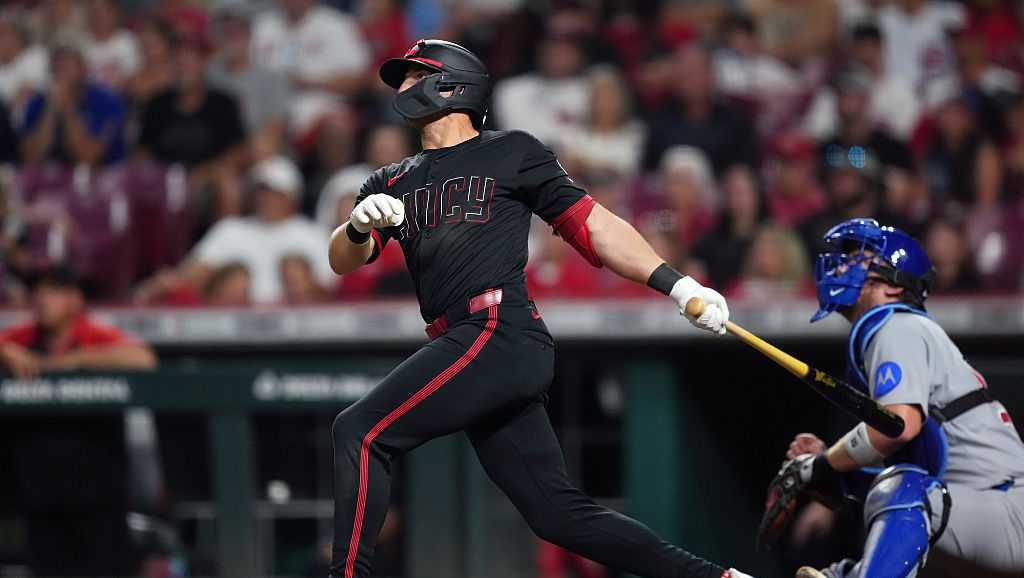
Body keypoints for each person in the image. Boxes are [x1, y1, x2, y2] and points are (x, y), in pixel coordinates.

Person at [327, 38, 753, 578]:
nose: (403, 87)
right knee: (559, 517)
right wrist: (358, 224)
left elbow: (592, 225)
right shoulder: (390, 180)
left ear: (451, 84)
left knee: (360, 430)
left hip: (496, 330)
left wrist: (677, 285)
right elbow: (344, 260)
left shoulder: (511, 151)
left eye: (414, 75)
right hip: (466, 342)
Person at [763, 218, 1024, 578]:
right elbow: (908, 464)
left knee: (901, 491)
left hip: (1009, 506)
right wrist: (833, 471)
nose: (843, 266)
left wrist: (820, 465)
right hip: (982, 511)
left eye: (859, 259)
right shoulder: (896, 335)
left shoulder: (897, 326)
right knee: (889, 494)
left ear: (892, 285)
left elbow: (897, 428)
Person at [0, 265, 157, 576]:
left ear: (75, 299)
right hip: (39, 492)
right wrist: (4, 352)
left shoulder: (94, 334)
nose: (42, 300)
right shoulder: (22, 337)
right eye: (38, 292)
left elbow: (144, 358)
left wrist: (68, 363)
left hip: (97, 493)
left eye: (52, 292)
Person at [183, 155, 332, 304]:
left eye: (274, 192)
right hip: (234, 320)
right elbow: (190, 277)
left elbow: (329, 286)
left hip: (298, 320)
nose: (266, 198)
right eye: (261, 191)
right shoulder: (229, 230)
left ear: (292, 195)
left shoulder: (314, 235)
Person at [17, 40, 126, 166]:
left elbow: (88, 158)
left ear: (84, 69)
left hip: (103, 176)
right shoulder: (38, 102)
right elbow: (31, 158)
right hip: (50, 176)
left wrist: (68, 110)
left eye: (67, 65)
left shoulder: (107, 101)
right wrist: (50, 111)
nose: (61, 72)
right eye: (56, 66)